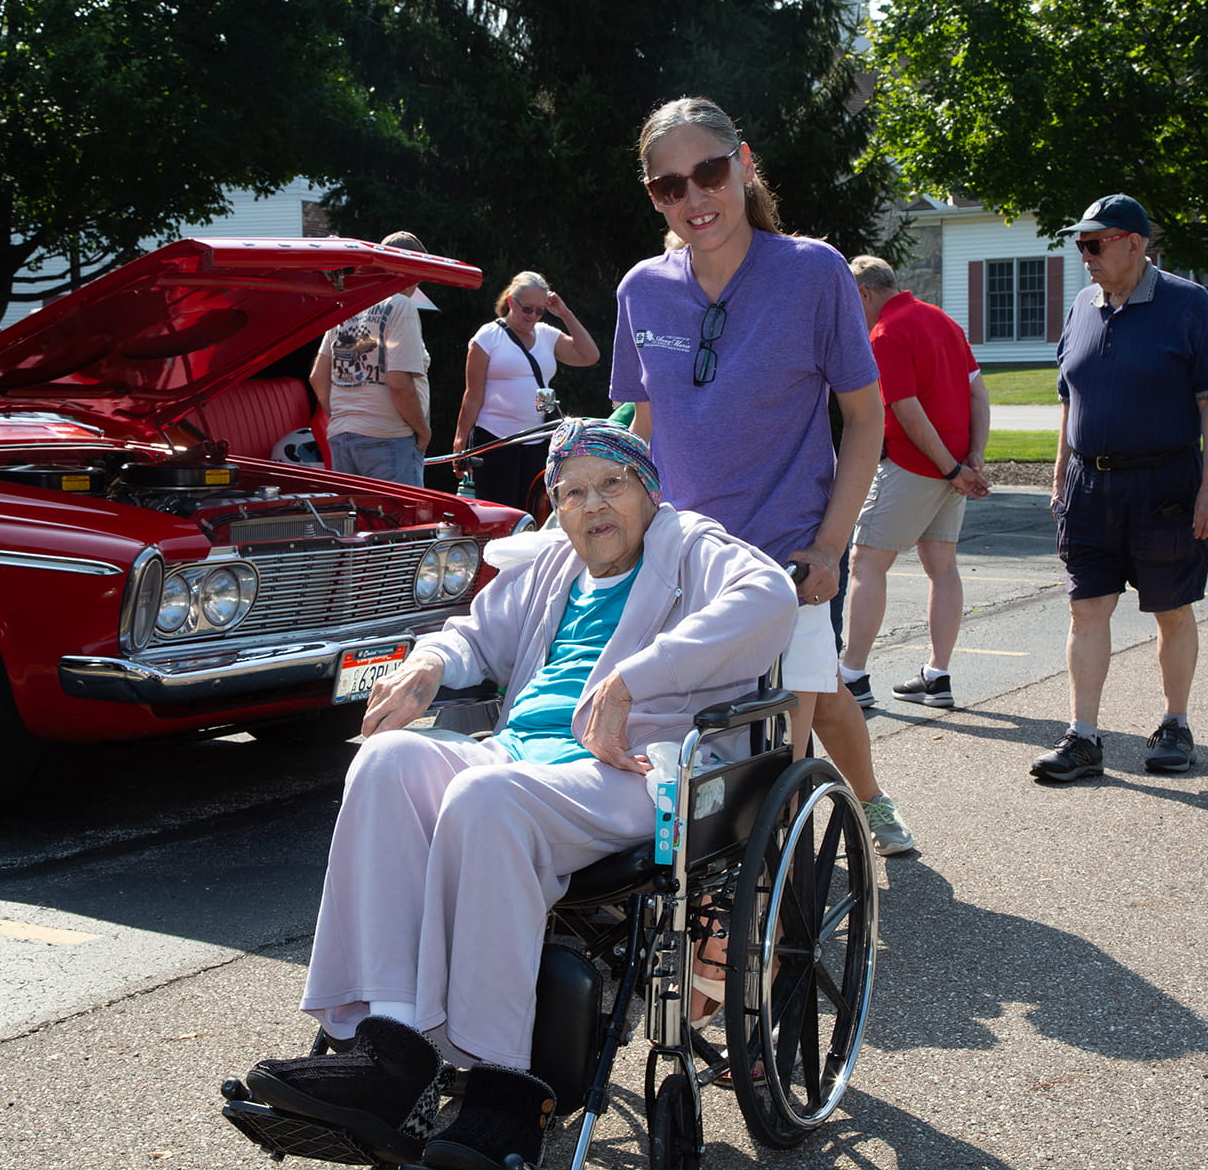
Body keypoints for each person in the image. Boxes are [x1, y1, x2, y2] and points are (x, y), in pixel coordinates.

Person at [236, 420, 796, 1170]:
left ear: (649, 493)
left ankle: (504, 1093)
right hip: (519, 757)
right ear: (555, 510)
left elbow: (769, 599)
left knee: (489, 798)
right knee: (385, 763)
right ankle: (391, 1051)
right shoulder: (549, 570)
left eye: (612, 486)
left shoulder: (693, 547)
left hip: (631, 771)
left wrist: (635, 679)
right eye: (572, 494)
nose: (594, 507)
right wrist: (430, 665)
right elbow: (473, 633)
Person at [609, 95, 913, 857]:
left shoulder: (814, 274)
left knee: (787, 731)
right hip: (685, 559)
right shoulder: (641, 288)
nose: (693, 198)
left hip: (786, 552)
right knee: (716, 721)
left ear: (744, 164)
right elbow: (639, 427)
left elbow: (867, 418)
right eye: (668, 186)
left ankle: (856, 811)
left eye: (708, 172)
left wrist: (830, 547)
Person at [1031, 193, 1208, 783]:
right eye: (1081, 244)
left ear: (1135, 244)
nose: (1084, 255)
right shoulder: (1082, 305)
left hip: (1165, 483)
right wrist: (1059, 480)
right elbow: (1071, 402)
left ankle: (1175, 725)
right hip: (1089, 484)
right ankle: (1084, 737)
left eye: (1095, 244)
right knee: (1086, 606)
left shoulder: (1187, 303)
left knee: (1171, 607)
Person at [837, 255, 991, 712]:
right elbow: (978, 393)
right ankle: (937, 677)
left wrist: (951, 468)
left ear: (864, 294)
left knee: (866, 563)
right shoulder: (942, 320)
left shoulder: (886, 332)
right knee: (942, 567)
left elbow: (906, 409)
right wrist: (971, 460)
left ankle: (853, 677)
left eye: (851, 302)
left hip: (917, 466)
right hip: (952, 469)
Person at [453, 271, 601, 510]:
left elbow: (589, 355)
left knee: (533, 512)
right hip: (495, 439)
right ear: (511, 301)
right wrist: (460, 441)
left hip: (537, 438)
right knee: (498, 512)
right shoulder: (488, 337)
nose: (533, 316)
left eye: (539, 310)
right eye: (527, 309)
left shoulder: (546, 334)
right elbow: (472, 395)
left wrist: (564, 313)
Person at [310, 231, 432, 486]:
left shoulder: (349, 305)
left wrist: (346, 416)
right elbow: (398, 382)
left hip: (342, 436)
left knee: (354, 522)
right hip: (388, 437)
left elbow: (318, 377)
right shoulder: (401, 306)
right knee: (397, 523)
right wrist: (422, 431)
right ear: (411, 270)